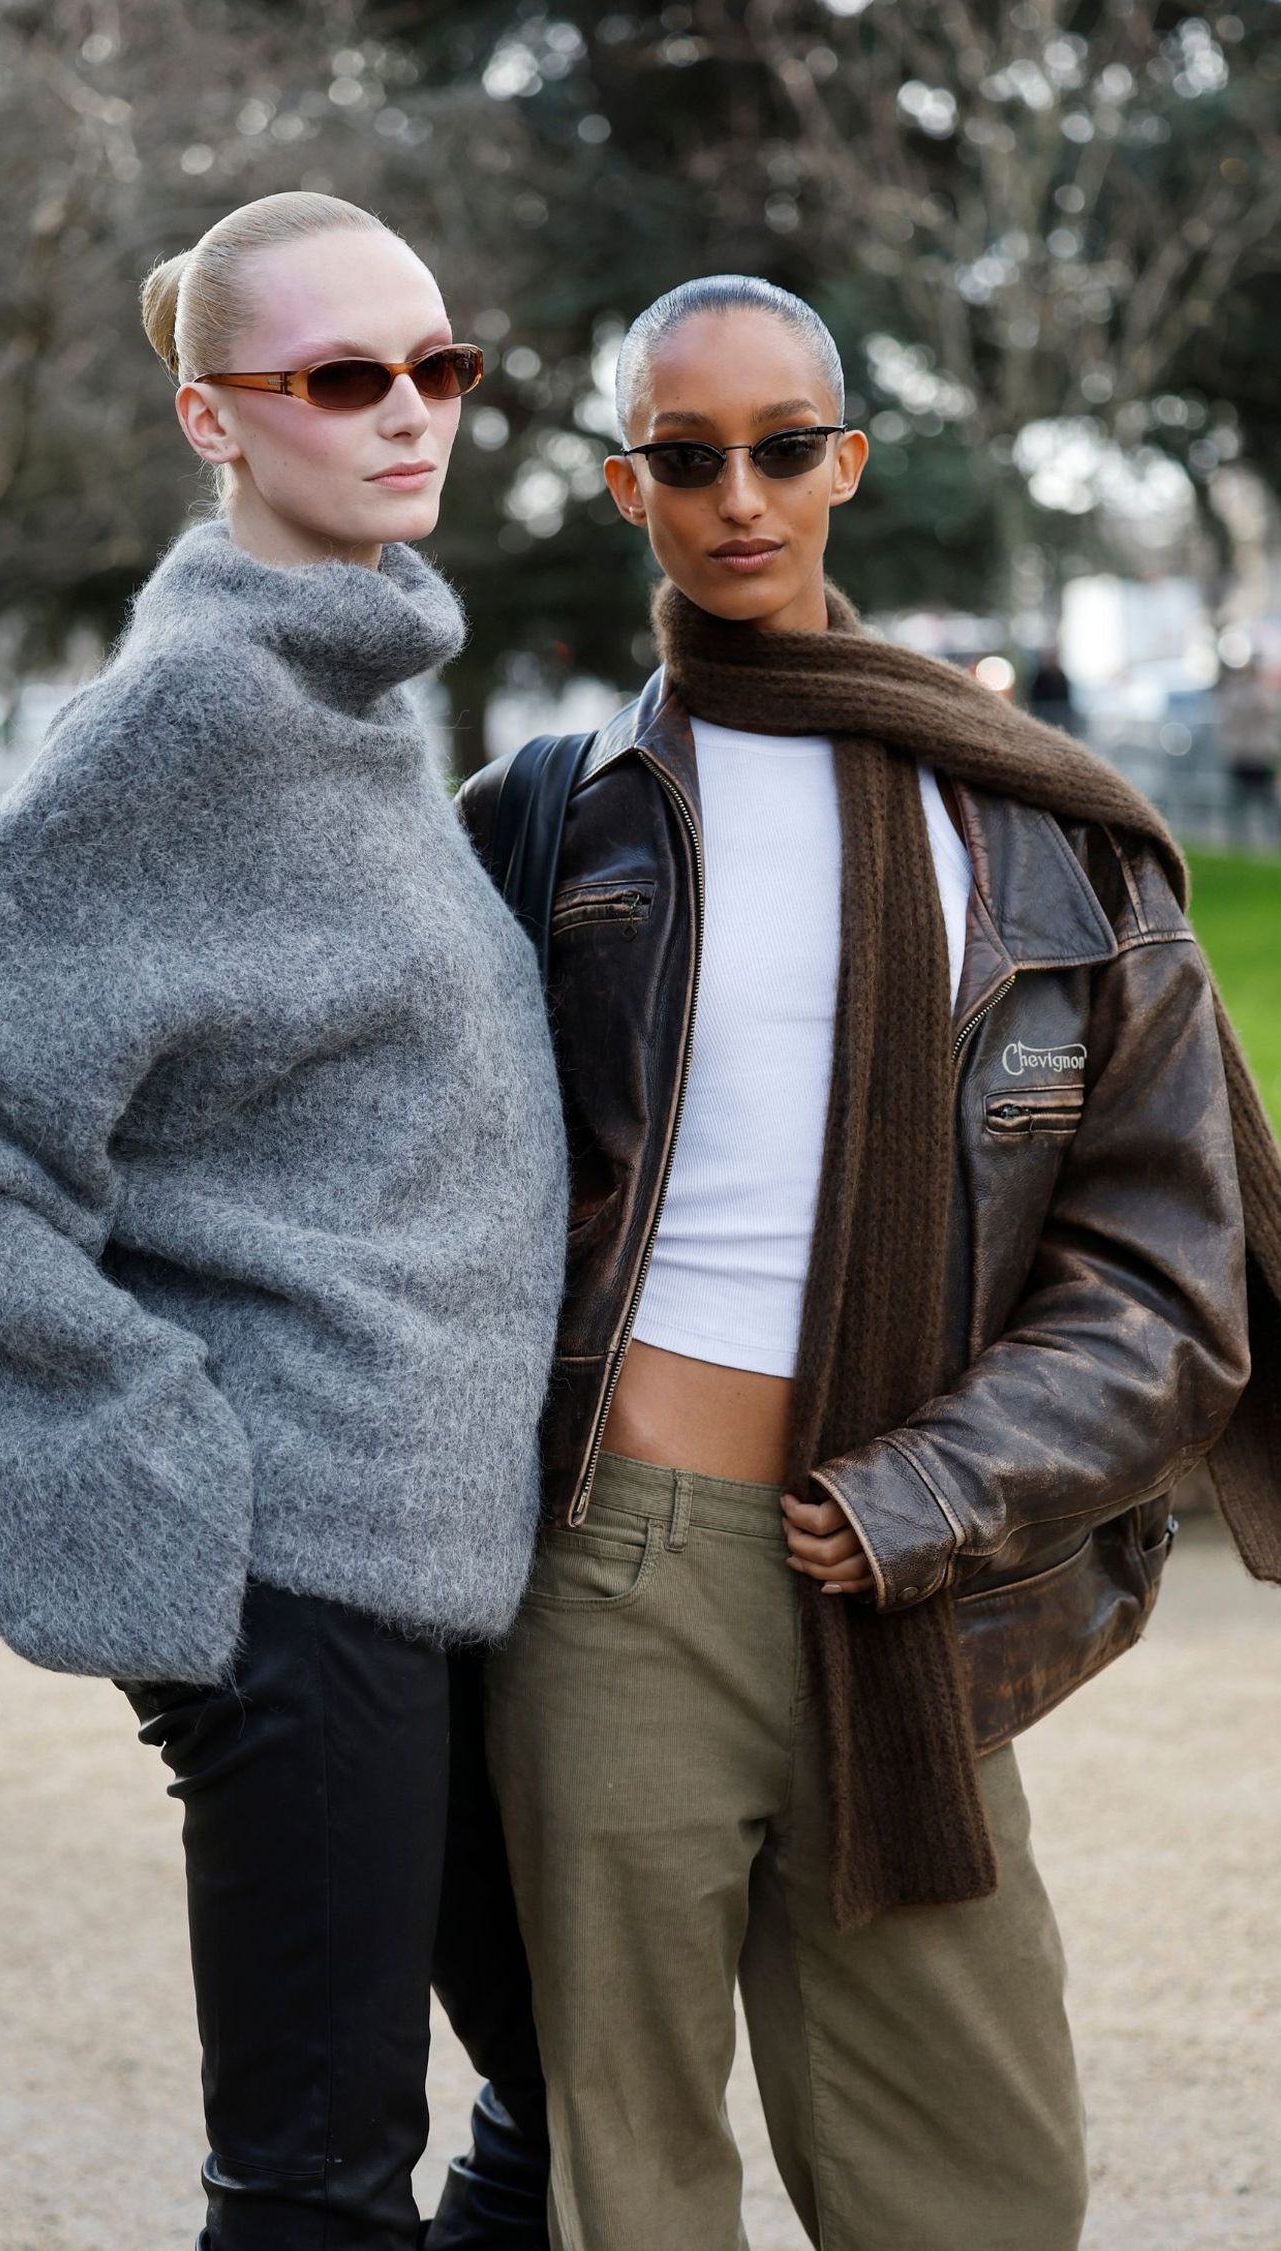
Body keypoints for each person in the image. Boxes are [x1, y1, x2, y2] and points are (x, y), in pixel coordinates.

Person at [454, 275, 1281, 2251]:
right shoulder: (547, 830)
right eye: (684, 456)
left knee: (983, 2183)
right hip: (614, 1567)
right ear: (623, 483)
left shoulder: (1036, 833)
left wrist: (935, 1488)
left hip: (910, 1581)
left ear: (848, 460)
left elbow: (1172, 1262)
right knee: (623, 2180)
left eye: (779, 447)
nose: (738, 494)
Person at [0, 192, 568, 2251]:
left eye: (439, 366)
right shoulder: (197, 716)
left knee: (581, 2095)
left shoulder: (348, 705)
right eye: (341, 379)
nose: (410, 413)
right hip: (303, 1559)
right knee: (316, 2180)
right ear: (215, 420)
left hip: (438, 1548)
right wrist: (137, 1434)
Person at [1216, 654, 1281, 849]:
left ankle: (1271, 839)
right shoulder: (1237, 693)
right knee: (1240, 803)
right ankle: (1238, 841)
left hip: (1260, 756)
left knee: (1266, 802)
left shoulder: (1262, 692)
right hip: (1243, 756)